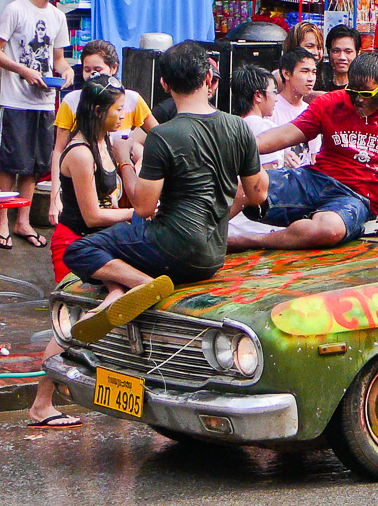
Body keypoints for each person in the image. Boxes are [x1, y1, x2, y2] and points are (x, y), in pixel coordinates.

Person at [64, 42, 268, 343]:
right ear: (208, 80)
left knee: (80, 250)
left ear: (164, 84)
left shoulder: (163, 135)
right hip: (212, 255)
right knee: (121, 246)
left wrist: (124, 162)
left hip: (169, 248)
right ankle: (118, 293)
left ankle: (146, 283)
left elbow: (144, 207)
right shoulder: (238, 127)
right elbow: (257, 193)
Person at [229, 52, 378, 250]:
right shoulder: (331, 103)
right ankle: (203, 238)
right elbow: (283, 135)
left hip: (358, 197)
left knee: (328, 229)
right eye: (352, 92)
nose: (358, 100)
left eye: (366, 94)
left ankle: (247, 241)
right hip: (315, 179)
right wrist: (233, 149)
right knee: (243, 185)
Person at [31, 75, 139, 428]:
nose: (123, 115)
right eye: (117, 109)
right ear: (97, 110)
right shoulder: (79, 152)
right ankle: (40, 405)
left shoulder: (105, 142)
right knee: (69, 322)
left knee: (118, 300)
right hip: (75, 244)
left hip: (102, 241)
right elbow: (93, 215)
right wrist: (137, 214)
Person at [0, 0, 73, 250]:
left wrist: (67, 72)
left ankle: (22, 220)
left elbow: (58, 59)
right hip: (15, 100)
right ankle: (1, 221)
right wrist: (23, 70)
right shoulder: (15, 10)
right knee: (9, 163)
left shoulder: (58, 17)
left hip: (45, 101)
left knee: (35, 165)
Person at [49, 40, 157, 225]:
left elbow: (158, 135)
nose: (93, 75)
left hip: (119, 188)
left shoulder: (128, 101)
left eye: (98, 69)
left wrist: (138, 161)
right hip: (92, 204)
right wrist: (54, 196)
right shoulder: (72, 104)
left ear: (114, 68)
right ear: (97, 111)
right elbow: (59, 150)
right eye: (87, 70)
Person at [231, 65, 294, 170]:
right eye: (274, 92)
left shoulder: (231, 127)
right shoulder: (266, 128)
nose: (276, 98)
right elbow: (271, 175)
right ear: (258, 96)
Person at [272, 48, 321, 165]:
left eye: (313, 72)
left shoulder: (312, 110)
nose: (311, 78)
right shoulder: (271, 108)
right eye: (304, 71)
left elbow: (315, 156)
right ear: (286, 74)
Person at [152, 52, 220, 123]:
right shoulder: (165, 110)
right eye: (204, 80)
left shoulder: (218, 117)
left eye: (214, 81)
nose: (209, 85)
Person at [274, 21, 324, 93]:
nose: (316, 52)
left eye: (319, 47)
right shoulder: (279, 77)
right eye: (310, 46)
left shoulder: (321, 74)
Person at [317, 24, 361, 91]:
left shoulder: (362, 83)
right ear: (329, 52)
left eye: (348, 52)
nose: (342, 57)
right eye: (336, 51)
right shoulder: (319, 78)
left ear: (358, 52)